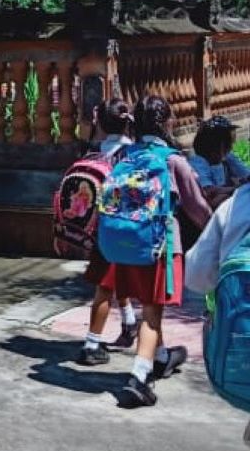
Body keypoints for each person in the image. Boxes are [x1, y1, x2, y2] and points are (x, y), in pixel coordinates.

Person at [101, 96, 212, 408]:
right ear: (167, 122)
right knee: (152, 313)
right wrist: (216, 231)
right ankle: (139, 377)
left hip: (124, 243)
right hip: (159, 245)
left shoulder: (124, 154)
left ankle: (161, 356)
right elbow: (197, 208)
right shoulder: (172, 160)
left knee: (150, 307)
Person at [77, 98, 140, 365]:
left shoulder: (93, 151)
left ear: (99, 123)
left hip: (101, 229)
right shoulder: (135, 154)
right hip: (127, 228)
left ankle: (92, 344)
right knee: (115, 279)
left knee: (104, 286)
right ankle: (129, 322)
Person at [188, 116, 250, 209]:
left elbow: (246, 175)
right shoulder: (198, 162)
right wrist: (237, 188)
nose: (230, 148)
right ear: (215, 144)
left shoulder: (228, 158)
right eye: (228, 144)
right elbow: (208, 191)